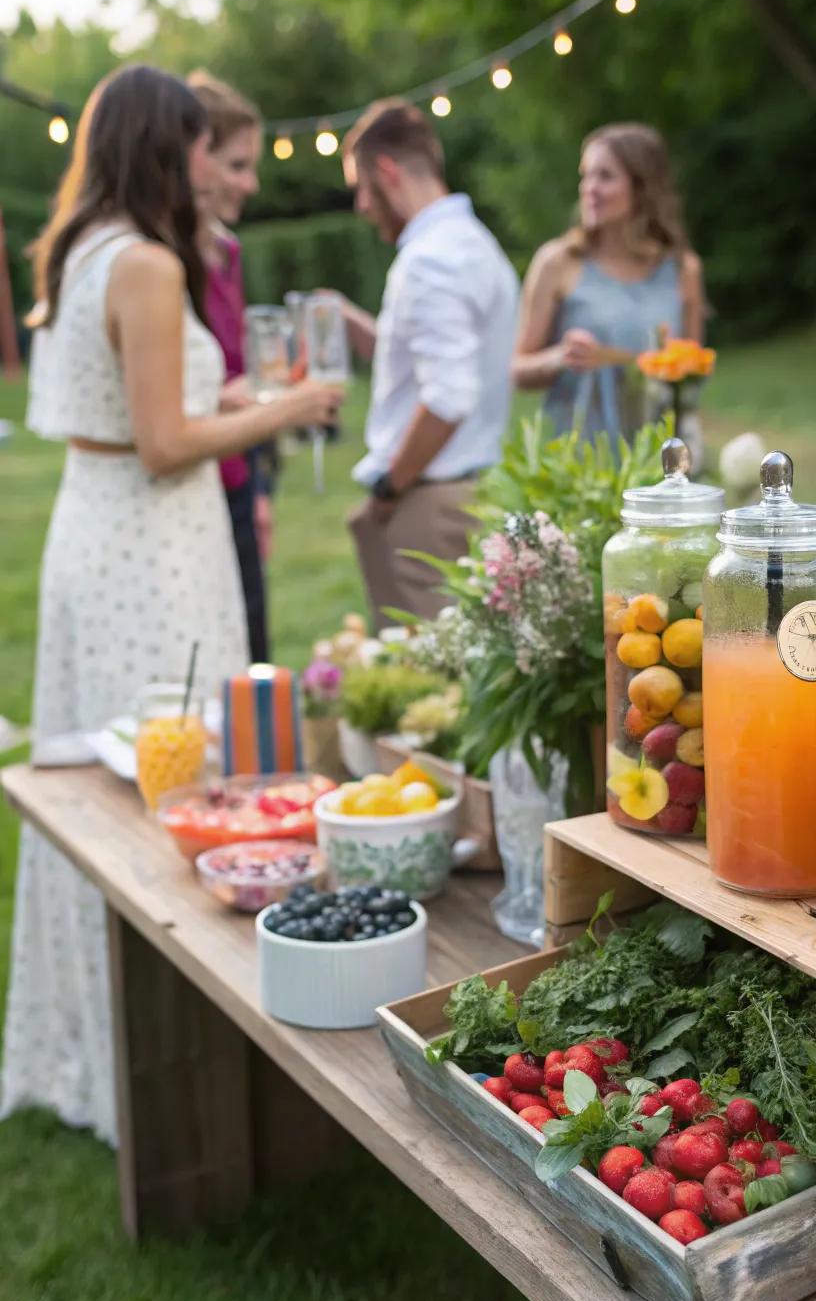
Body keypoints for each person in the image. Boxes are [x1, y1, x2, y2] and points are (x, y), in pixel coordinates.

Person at [0, 65, 340, 1145]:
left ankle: (113, 1048)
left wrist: (227, 395)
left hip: (101, 532)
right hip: (150, 547)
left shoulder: (84, 245)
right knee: (167, 785)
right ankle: (169, 1075)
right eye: (198, 141)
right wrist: (285, 408)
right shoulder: (145, 262)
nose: (208, 161)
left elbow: (139, 410)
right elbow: (161, 444)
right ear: (164, 145)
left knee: (120, 781)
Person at [340, 99, 519, 629]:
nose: (361, 206)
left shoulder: (429, 260)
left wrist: (389, 487)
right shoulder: (475, 244)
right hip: (470, 488)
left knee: (427, 670)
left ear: (387, 172)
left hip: (426, 507)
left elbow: (447, 397)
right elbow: (442, 366)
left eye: (360, 188)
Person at [514, 123, 705, 445]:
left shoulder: (683, 270)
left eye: (605, 176)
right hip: (578, 456)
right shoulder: (557, 262)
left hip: (656, 456)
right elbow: (517, 369)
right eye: (586, 175)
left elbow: (692, 377)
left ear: (642, 187)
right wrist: (560, 357)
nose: (590, 188)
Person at [187, 70, 273, 663]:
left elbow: (240, 368)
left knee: (250, 645)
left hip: (237, 481)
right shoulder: (160, 262)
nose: (251, 183)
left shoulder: (228, 252)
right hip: (187, 484)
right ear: (195, 159)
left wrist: (260, 489)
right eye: (237, 165)